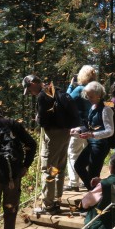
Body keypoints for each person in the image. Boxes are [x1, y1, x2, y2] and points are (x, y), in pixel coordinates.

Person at [23, 74, 79, 215]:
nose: (30, 93)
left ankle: (48, 205)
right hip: (65, 133)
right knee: (58, 167)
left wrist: (38, 118)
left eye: (29, 89)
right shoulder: (57, 90)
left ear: (34, 82)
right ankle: (56, 199)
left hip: (52, 136)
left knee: (48, 168)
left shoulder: (43, 95)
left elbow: (42, 121)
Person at [72, 81, 114, 190]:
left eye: (91, 96)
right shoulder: (92, 107)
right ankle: (92, 192)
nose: (88, 98)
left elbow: (110, 131)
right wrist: (78, 129)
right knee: (78, 166)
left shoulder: (106, 109)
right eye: (87, 96)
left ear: (99, 95)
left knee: (93, 175)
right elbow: (89, 125)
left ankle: (95, 197)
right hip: (92, 144)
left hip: (101, 146)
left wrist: (92, 134)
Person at [65, 65, 97, 192]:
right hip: (92, 126)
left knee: (73, 152)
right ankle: (86, 179)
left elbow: (66, 100)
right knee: (86, 153)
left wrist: (70, 86)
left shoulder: (79, 89)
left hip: (78, 127)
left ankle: (74, 183)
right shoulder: (95, 88)